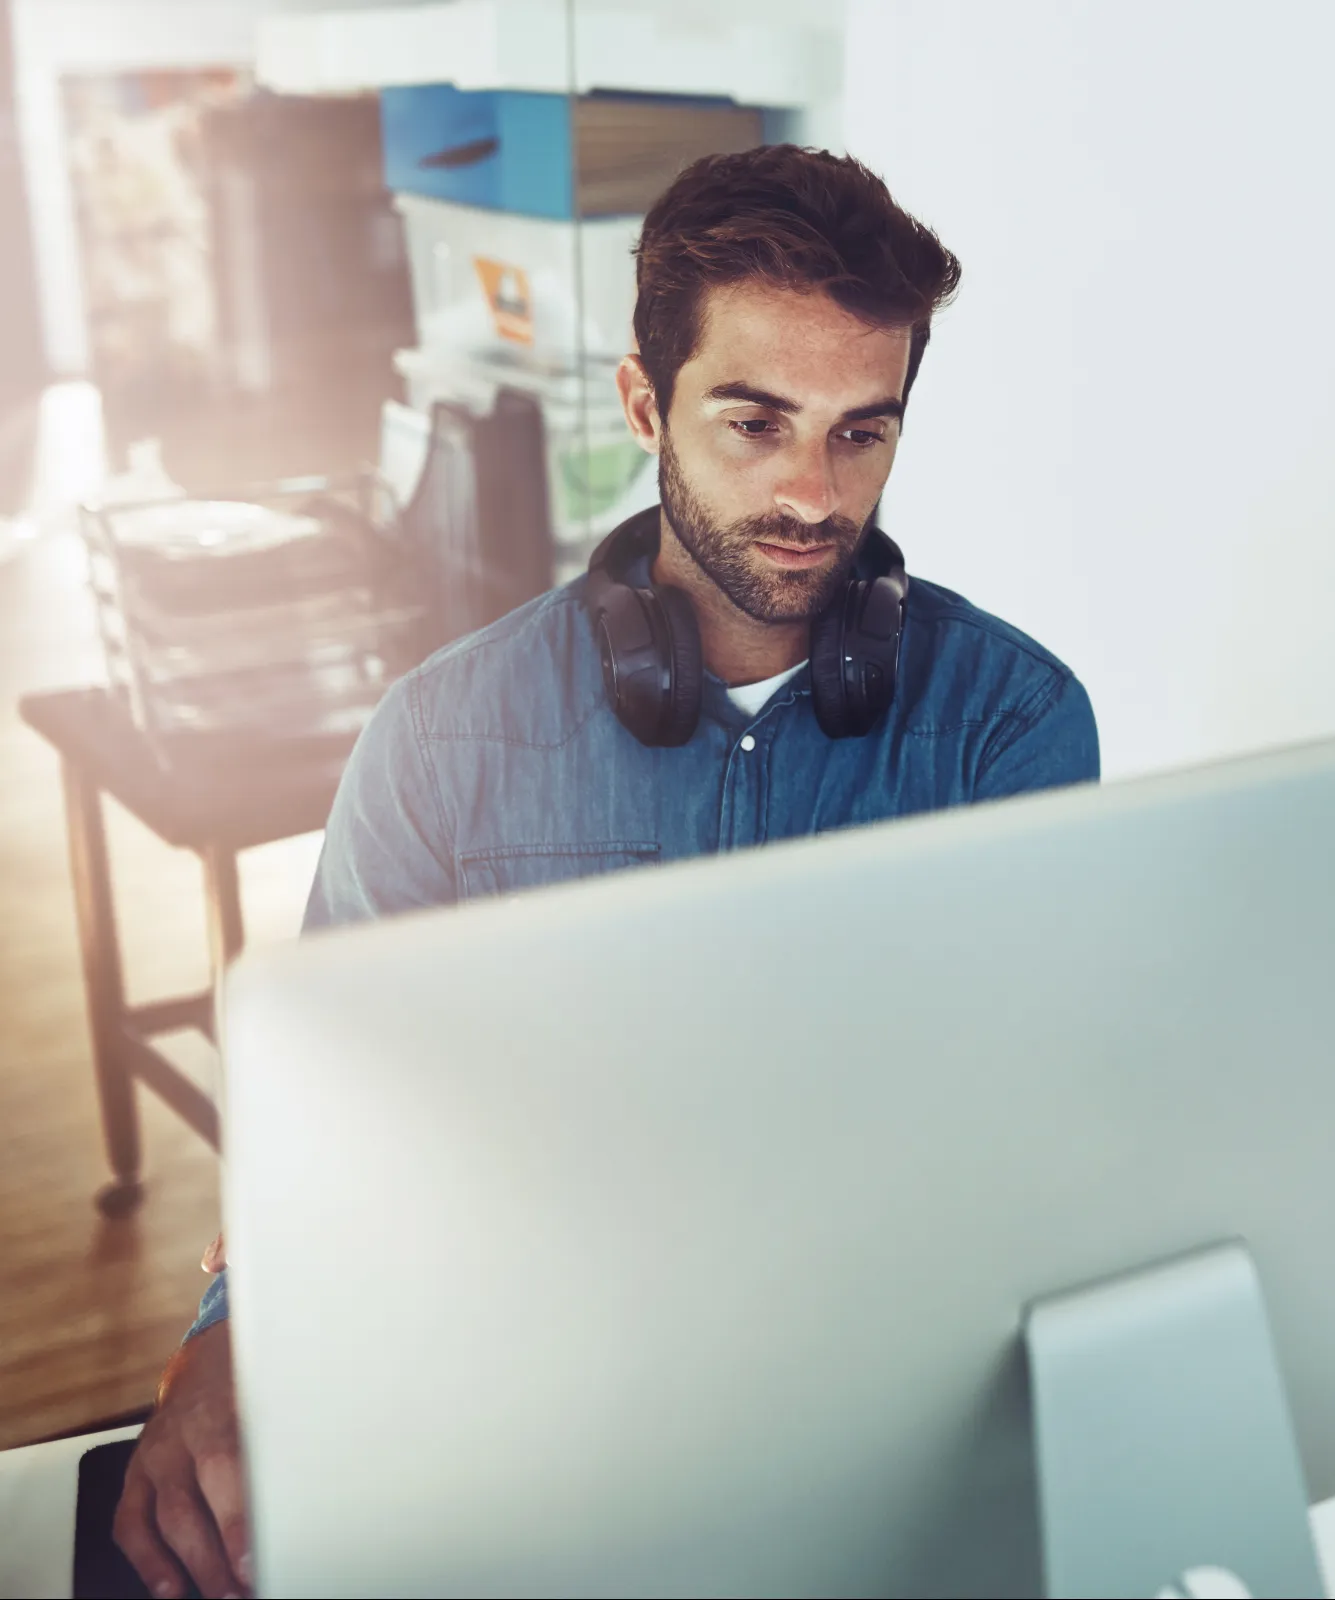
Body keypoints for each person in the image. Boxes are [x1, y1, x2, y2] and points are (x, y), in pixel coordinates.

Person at [112, 144, 1100, 1599]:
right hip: (530, 1411)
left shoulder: (1011, 725)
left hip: (883, 1423)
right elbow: (325, 1115)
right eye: (754, 422)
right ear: (646, 404)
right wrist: (226, 1335)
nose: (814, 494)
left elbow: (1046, 1121)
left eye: (861, 433)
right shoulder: (441, 738)